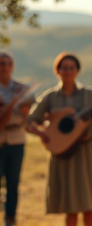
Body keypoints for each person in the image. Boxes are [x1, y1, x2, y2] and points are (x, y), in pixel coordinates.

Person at [26, 52, 92, 226]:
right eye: (64, 68)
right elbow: (31, 121)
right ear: (58, 71)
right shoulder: (50, 97)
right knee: (70, 207)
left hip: (87, 155)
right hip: (63, 156)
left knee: (89, 206)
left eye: (71, 68)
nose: (68, 71)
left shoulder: (89, 95)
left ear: (77, 71)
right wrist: (43, 135)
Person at [0, 51, 34, 226]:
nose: (4, 67)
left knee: (13, 184)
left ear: (12, 66)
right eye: (1, 63)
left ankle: (10, 219)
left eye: (7, 63)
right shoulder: (19, 92)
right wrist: (14, 104)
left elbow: (27, 116)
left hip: (17, 140)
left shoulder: (21, 88)